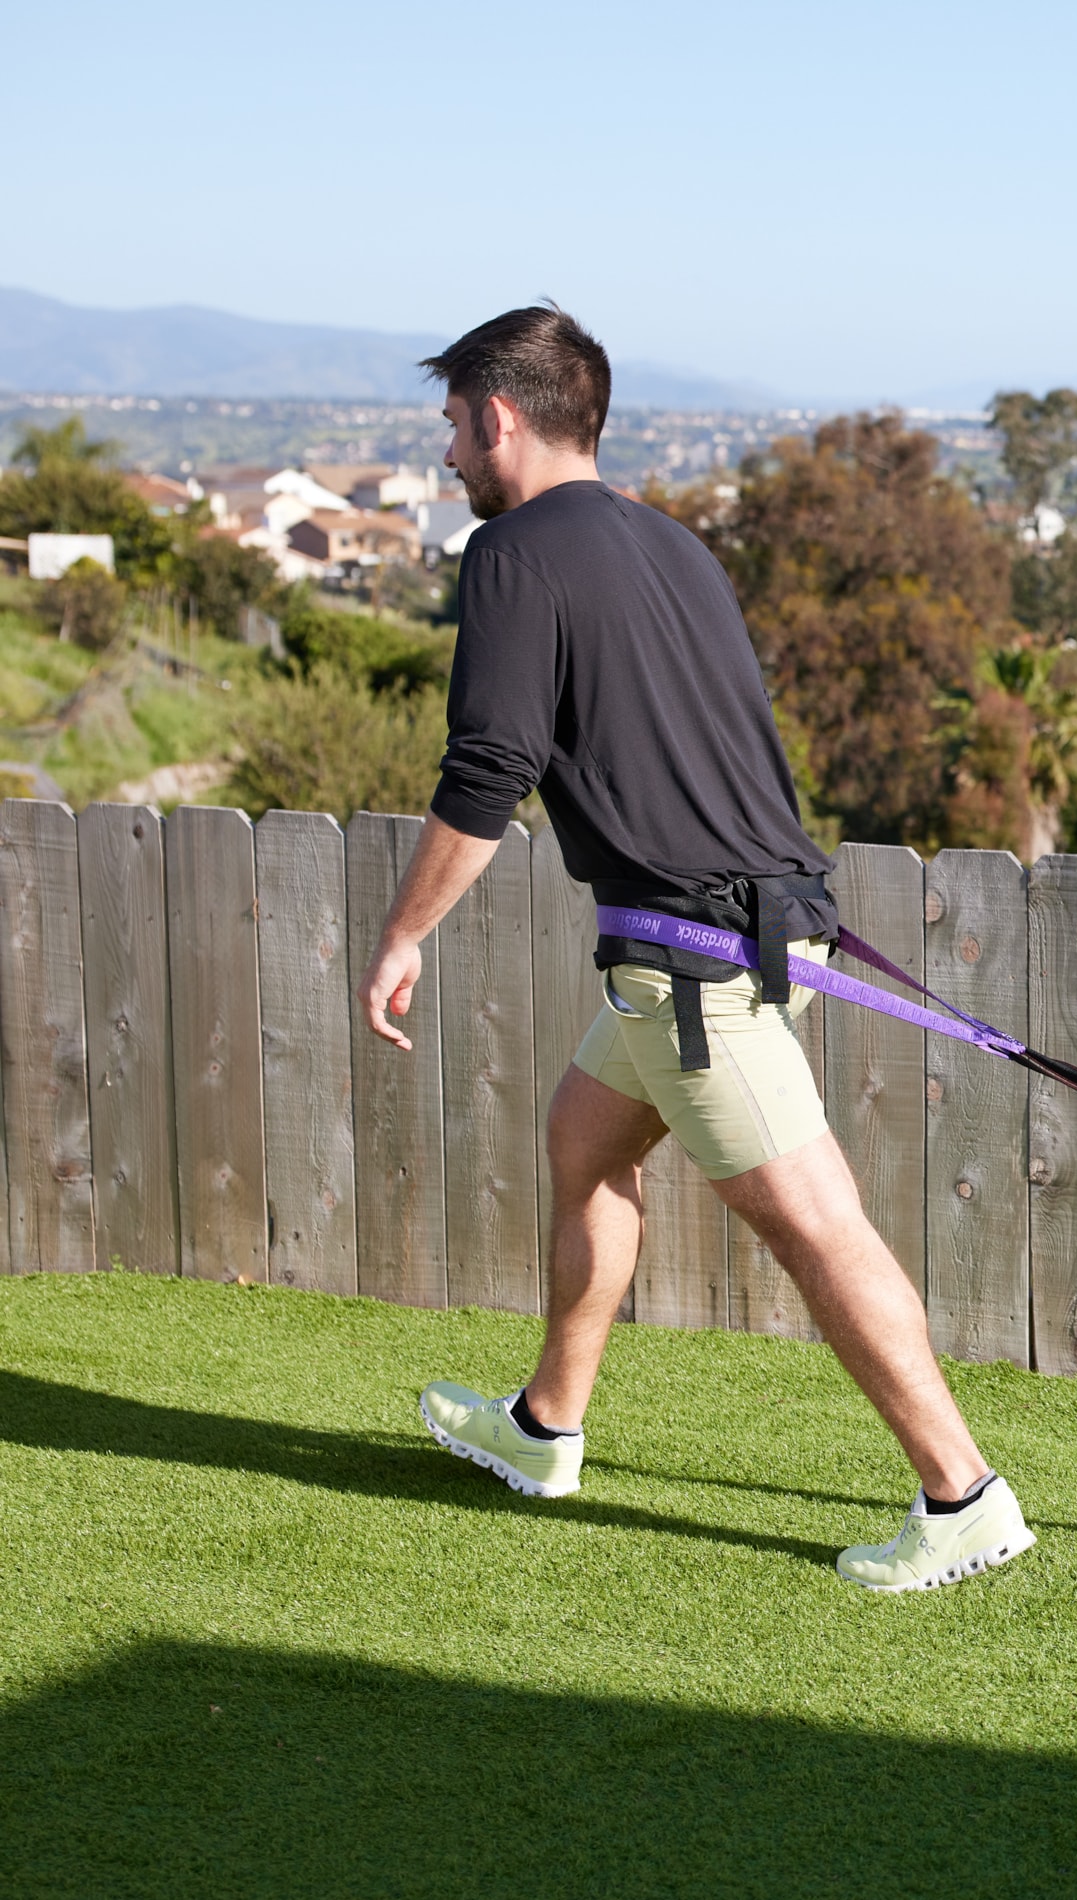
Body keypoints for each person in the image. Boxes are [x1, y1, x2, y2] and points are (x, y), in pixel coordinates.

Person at [368, 304, 1032, 1594]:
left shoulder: (512, 556)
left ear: (500, 416)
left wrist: (402, 937)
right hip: (730, 938)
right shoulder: (674, 548)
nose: (448, 453)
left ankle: (963, 1495)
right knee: (581, 1141)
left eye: (452, 424)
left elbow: (490, 769)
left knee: (817, 1227)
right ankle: (546, 1428)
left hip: (691, 968)